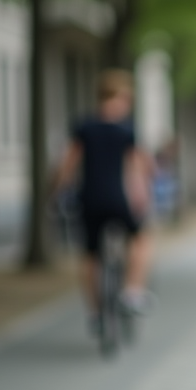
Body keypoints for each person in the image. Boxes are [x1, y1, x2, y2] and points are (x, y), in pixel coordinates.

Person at [54, 68, 154, 331]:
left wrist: (58, 192)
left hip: (88, 199)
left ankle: (95, 313)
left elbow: (67, 164)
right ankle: (132, 292)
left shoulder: (84, 125)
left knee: (89, 254)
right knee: (140, 239)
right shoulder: (126, 128)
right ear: (123, 96)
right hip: (119, 199)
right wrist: (144, 196)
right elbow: (137, 168)